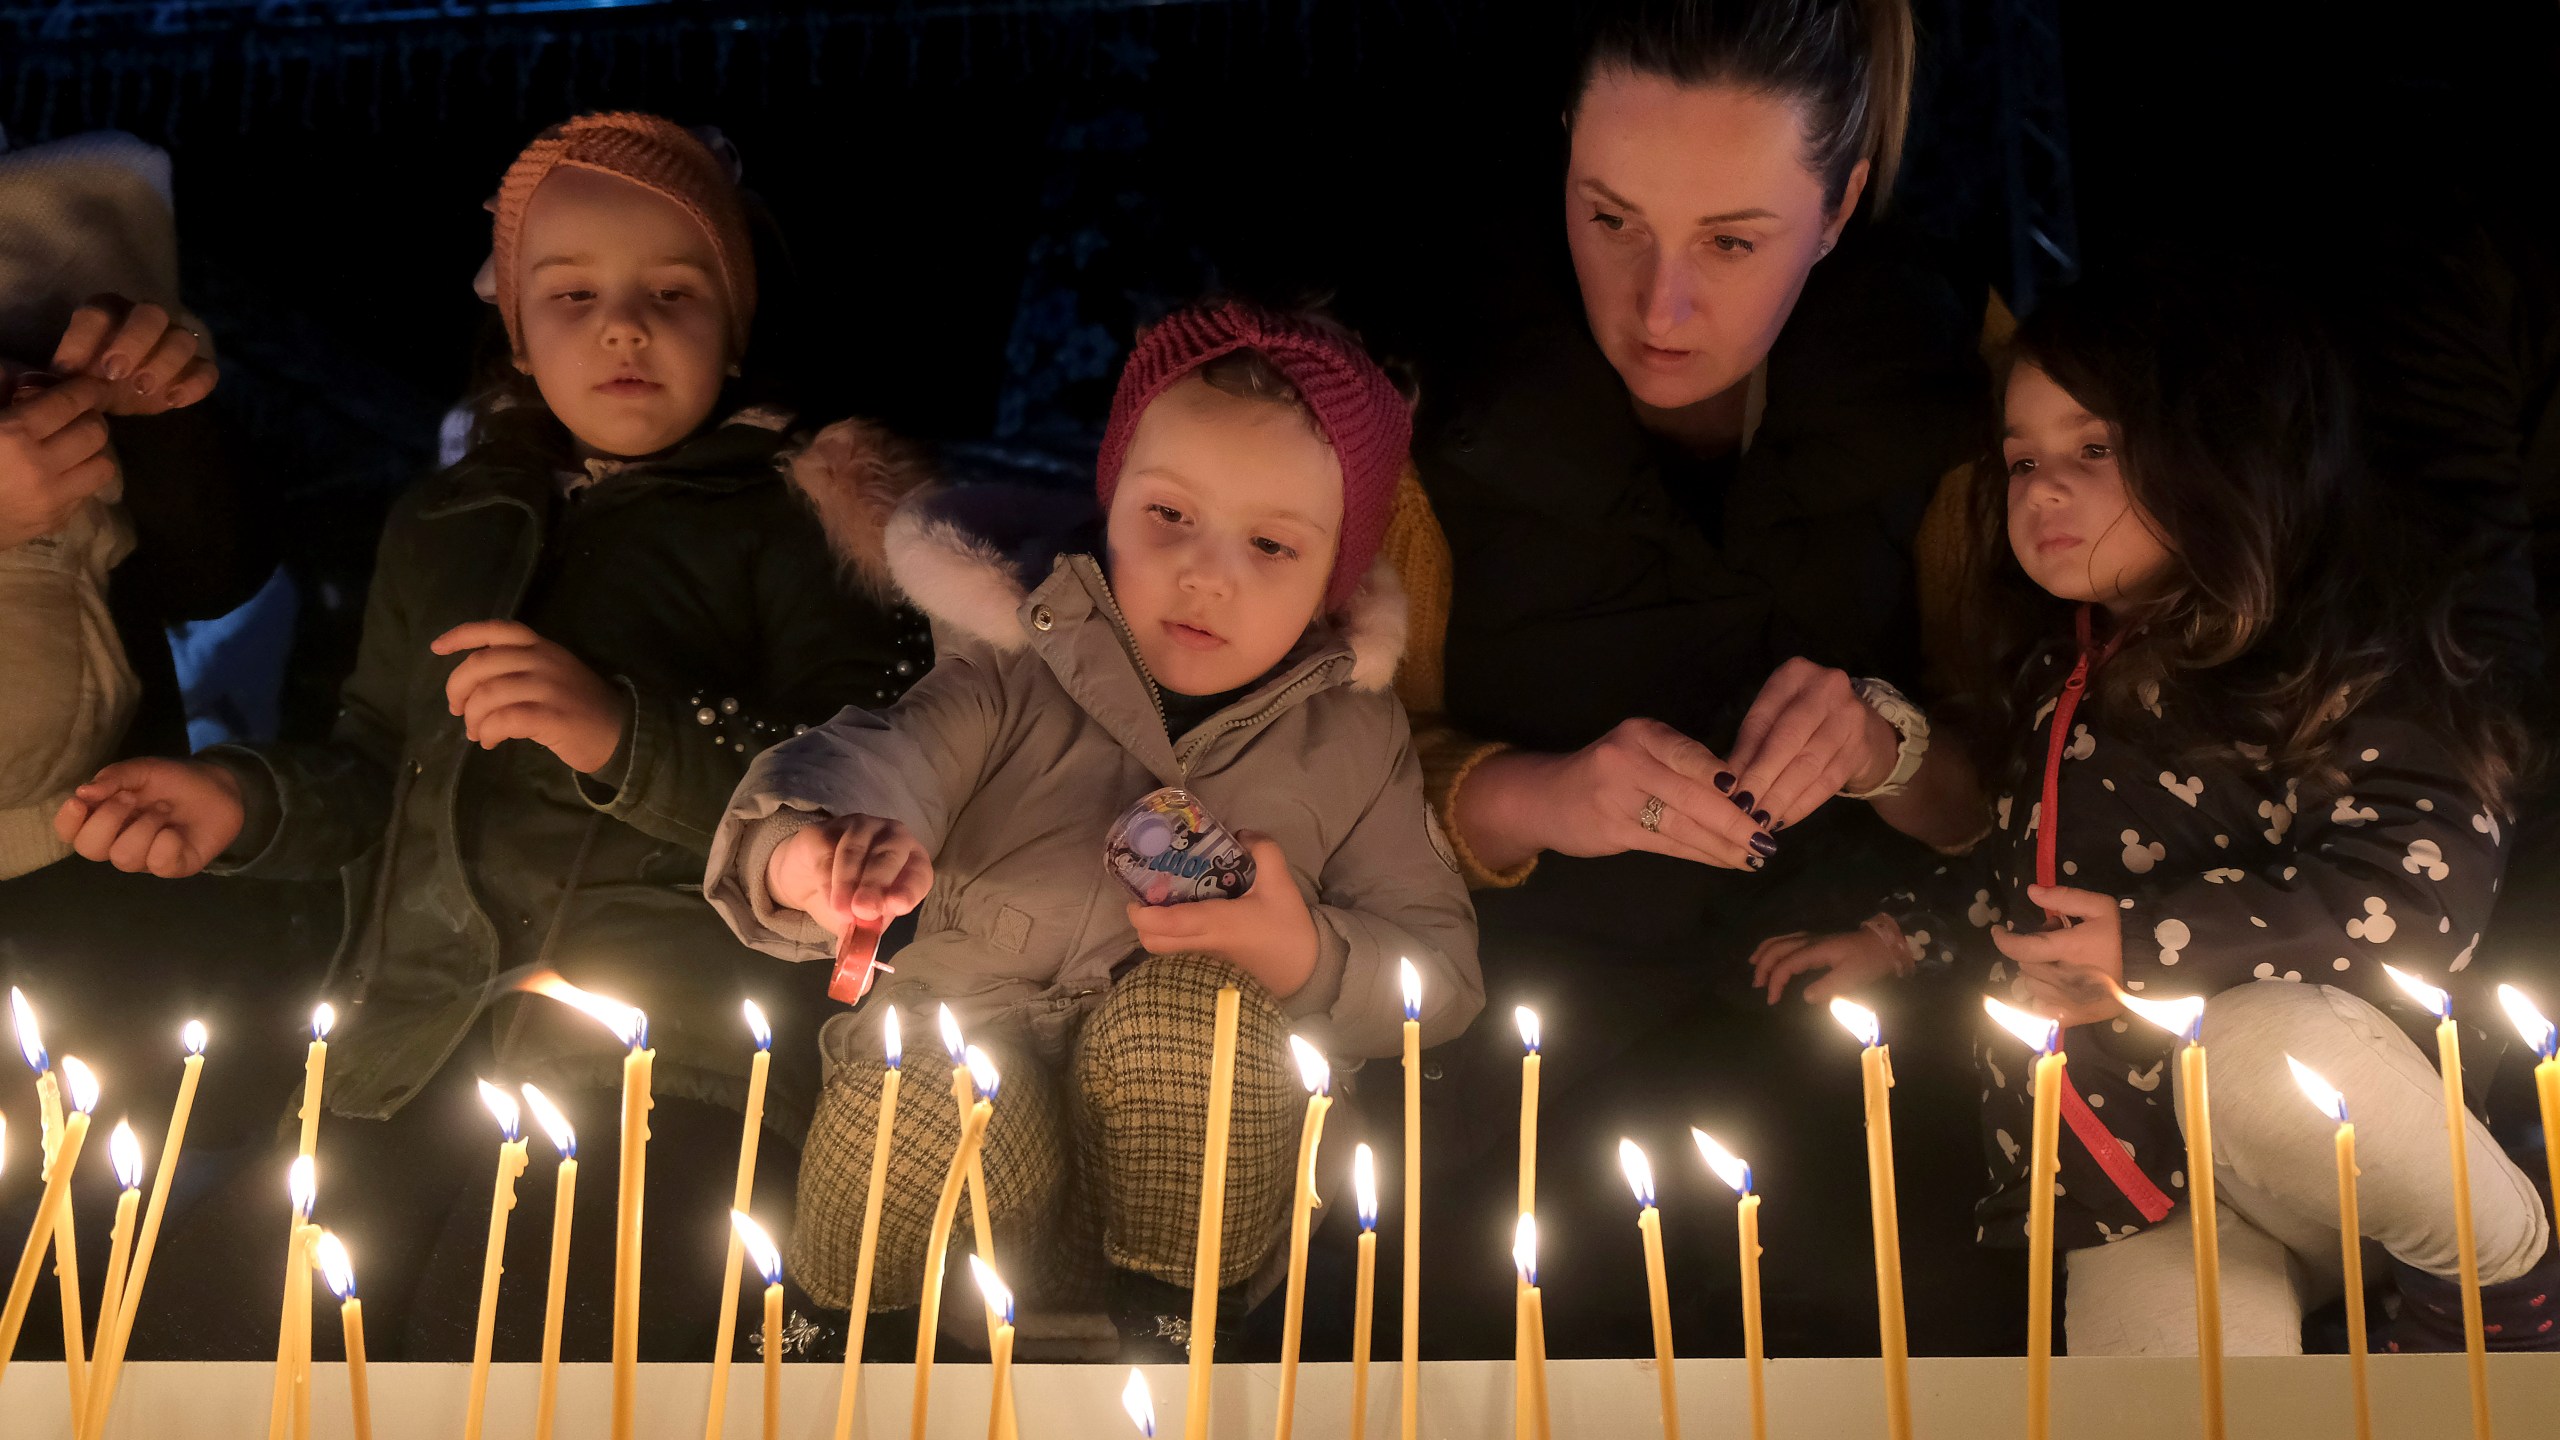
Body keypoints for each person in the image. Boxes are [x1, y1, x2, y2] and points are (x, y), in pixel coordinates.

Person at [50, 112, 936, 1360]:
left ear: (737, 324)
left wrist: (620, 732)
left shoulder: (816, 526)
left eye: (672, 292)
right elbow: (376, 760)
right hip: (408, 1051)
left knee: (516, 1354)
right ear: (516, 327)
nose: (621, 325)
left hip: (672, 1075)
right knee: (202, 1339)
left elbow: (870, 779)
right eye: (572, 292)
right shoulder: (448, 524)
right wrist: (241, 804)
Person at [1753, 269, 2558, 1356]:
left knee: (2248, 1050)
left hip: (2313, 1124)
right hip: (2122, 1163)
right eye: (2022, 458)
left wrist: (2148, 946)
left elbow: (2418, 892)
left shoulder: (2332, 658)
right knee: (2166, 1404)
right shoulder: (2052, 678)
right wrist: (1900, 937)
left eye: (2094, 449)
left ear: (2224, 451)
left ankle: (2503, 1275)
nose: (2041, 490)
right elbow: (2022, 875)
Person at [1380, 0, 1997, 1356]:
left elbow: (2035, 789)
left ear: (1836, 208)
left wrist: (1886, 750)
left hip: (1867, 1040)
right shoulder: (1426, 410)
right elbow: (1320, 784)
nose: (1660, 307)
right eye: (1611, 222)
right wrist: (1533, 795)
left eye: (1732, 241)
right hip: (1514, 1061)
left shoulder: (1959, 394)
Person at [703, 299, 1483, 1353]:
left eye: (1269, 543)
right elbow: (883, 756)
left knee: (1193, 1015)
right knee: (919, 1087)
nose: (1207, 574)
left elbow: (1439, 974)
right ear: (1111, 501)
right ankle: (823, 1360)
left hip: (1195, 1188)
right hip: (972, 1161)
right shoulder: (1010, 670)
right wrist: (814, 850)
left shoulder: (1353, 740)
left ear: (1333, 575)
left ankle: (1179, 1350)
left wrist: (1297, 952)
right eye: (1169, 517)